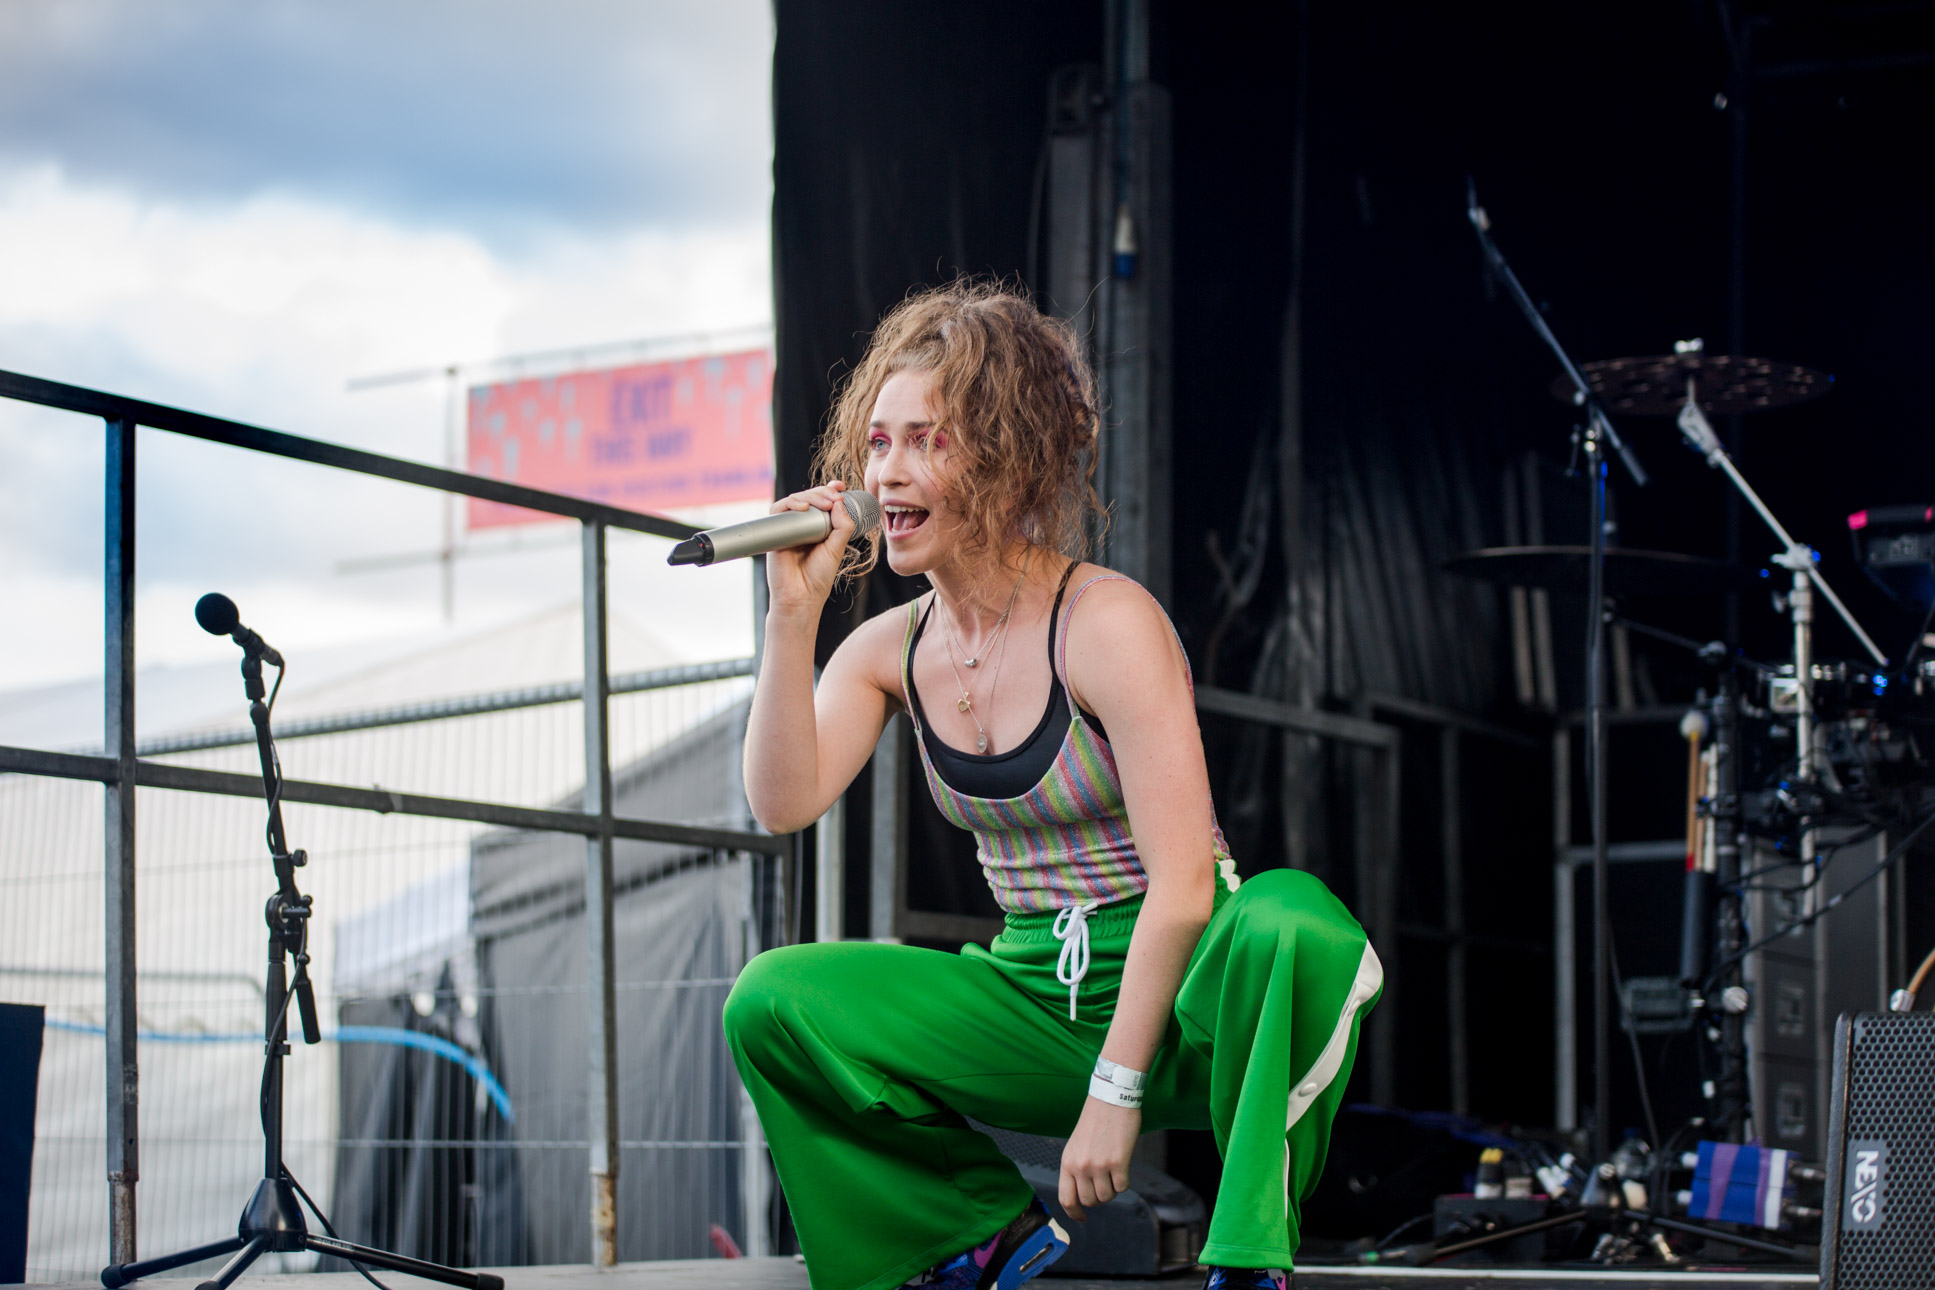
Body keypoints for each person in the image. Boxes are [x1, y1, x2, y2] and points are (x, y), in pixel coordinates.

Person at [723, 280, 1382, 1290]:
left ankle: (1251, 1259)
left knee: (1294, 926)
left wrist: (1117, 1089)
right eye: (879, 443)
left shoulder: (1107, 622)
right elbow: (780, 804)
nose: (887, 473)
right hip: (1037, 989)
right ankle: (968, 1236)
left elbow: (1184, 885)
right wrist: (788, 618)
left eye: (927, 443)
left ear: (1003, 458)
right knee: (772, 1000)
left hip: (1193, 996)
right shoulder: (881, 650)